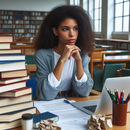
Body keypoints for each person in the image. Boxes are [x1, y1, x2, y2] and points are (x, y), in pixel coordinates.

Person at [34, 5, 94, 100]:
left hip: (73, 100)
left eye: (75, 28)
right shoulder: (42, 55)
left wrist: (78, 62)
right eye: (65, 29)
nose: (72, 34)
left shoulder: (83, 56)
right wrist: (61, 60)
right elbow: (45, 95)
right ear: (55, 31)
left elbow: (85, 92)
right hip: (50, 101)